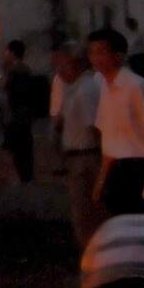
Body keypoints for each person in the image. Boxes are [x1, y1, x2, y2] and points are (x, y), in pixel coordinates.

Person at [89, 28, 144, 217]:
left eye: (101, 52)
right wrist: (101, 181)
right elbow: (108, 138)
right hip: (115, 171)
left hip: (139, 169)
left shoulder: (136, 85)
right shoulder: (102, 85)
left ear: (118, 56)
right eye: (92, 52)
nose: (96, 58)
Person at [51, 43, 103, 247]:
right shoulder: (74, 89)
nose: (59, 71)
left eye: (63, 65)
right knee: (82, 212)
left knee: (87, 213)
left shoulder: (86, 90)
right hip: (77, 157)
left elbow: (95, 127)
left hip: (86, 157)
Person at [0, 40, 41, 184]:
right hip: (24, 113)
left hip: (17, 113)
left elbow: (5, 86)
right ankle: (26, 174)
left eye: (7, 52)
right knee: (24, 144)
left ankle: (24, 175)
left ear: (12, 53)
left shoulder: (16, 70)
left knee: (20, 146)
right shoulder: (25, 69)